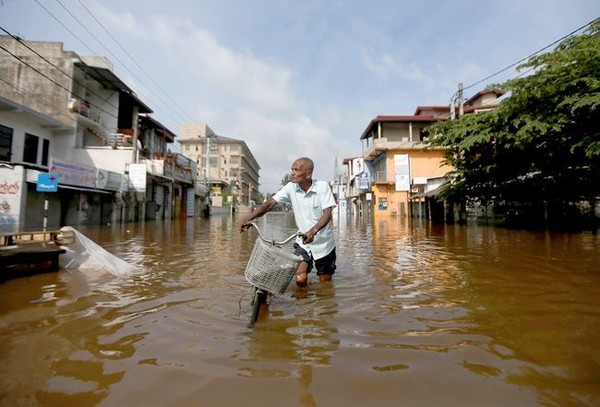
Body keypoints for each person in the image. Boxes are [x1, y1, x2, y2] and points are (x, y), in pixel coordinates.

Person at [237, 157, 337, 286]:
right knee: (300, 279)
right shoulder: (290, 187)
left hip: (324, 244)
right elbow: (269, 204)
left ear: (308, 173)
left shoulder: (322, 187)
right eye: (292, 169)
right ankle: (303, 303)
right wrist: (249, 217)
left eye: (296, 170)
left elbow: (327, 213)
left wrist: (313, 231)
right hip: (303, 242)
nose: (292, 173)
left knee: (325, 283)